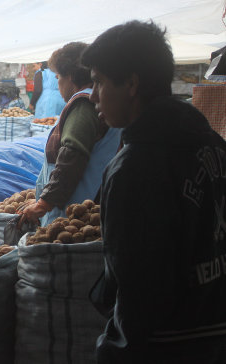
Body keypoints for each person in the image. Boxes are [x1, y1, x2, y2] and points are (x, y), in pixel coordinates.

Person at [81, 20, 226, 363]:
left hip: (167, 347)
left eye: (99, 82)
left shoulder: (135, 169)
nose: (93, 95)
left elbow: (140, 296)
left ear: (131, 83)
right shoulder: (213, 145)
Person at [18, 42, 121, 227]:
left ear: (71, 77)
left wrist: (44, 203)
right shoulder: (95, 101)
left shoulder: (83, 104)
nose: (58, 84)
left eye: (58, 77)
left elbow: (72, 154)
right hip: (79, 209)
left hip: (73, 213)